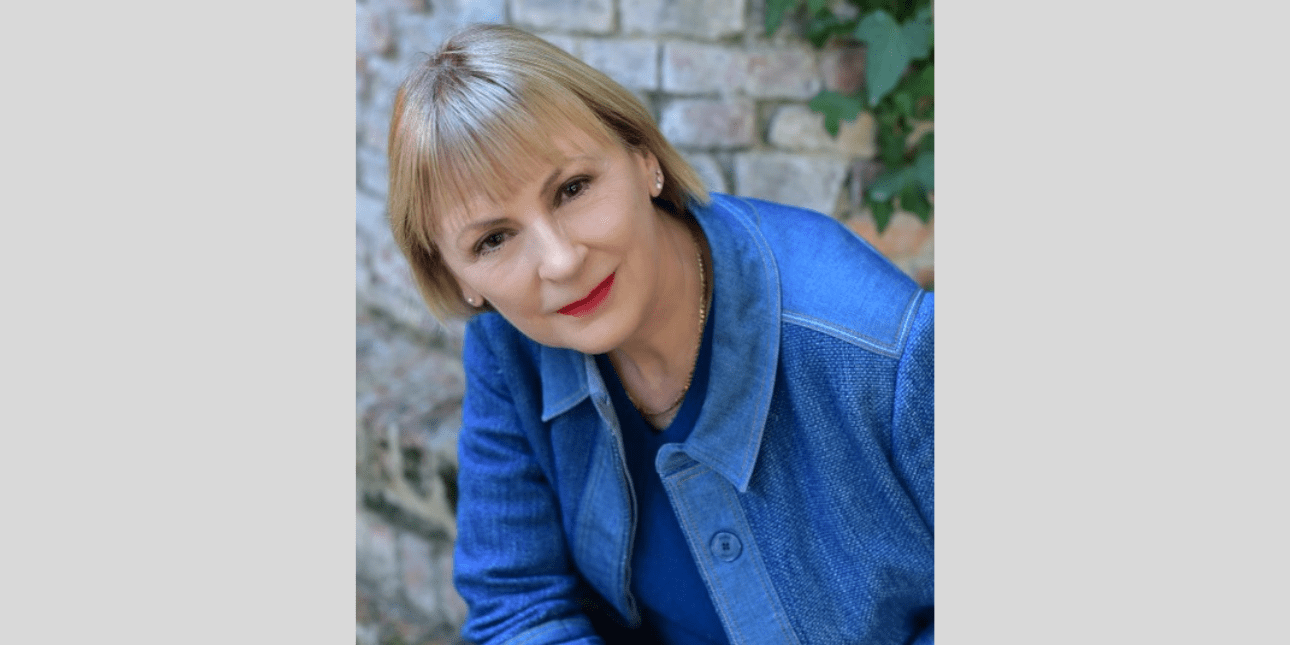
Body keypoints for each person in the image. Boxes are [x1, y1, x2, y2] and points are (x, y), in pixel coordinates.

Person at [385, 23, 933, 645]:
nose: (560, 262)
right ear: (459, 280)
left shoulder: (884, 350)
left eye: (573, 189)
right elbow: (519, 606)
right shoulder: (511, 345)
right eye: (493, 240)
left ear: (644, 158)